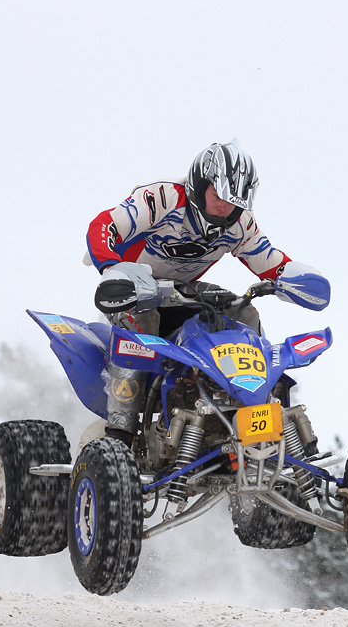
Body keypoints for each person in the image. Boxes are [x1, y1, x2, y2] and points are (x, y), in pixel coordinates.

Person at [84, 139, 296, 440]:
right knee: (145, 318)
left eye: (233, 202)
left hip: (185, 291)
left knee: (244, 312)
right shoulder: (162, 199)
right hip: (132, 288)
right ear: (199, 184)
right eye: (217, 195)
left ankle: (254, 415)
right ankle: (120, 432)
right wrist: (111, 268)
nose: (224, 207)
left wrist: (297, 278)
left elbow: (271, 262)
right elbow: (104, 224)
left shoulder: (240, 224)